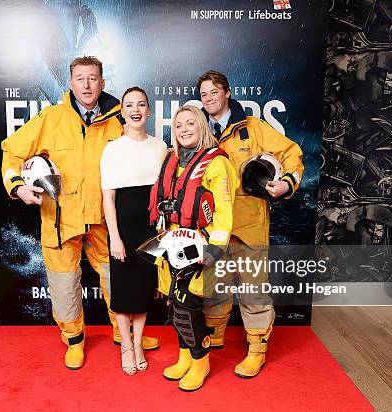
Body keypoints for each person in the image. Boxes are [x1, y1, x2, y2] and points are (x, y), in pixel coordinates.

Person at [0, 56, 159, 370]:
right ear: (70, 83)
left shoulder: (118, 119)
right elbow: (12, 152)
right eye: (80, 78)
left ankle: (123, 332)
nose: (87, 85)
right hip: (61, 221)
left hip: (103, 219)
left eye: (93, 78)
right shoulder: (51, 118)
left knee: (119, 279)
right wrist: (17, 186)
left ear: (102, 82)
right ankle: (74, 340)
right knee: (64, 284)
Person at [197, 70, 304, 378]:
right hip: (215, 229)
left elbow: (292, 154)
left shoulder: (254, 128)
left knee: (254, 290)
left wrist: (286, 183)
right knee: (214, 285)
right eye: (204, 95)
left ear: (226, 93)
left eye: (214, 92)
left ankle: (257, 348)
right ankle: (214, 334)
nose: (209, 99)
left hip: (249, 226)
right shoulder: (200, 130)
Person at [148, 105, 238, 391]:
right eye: (179, 125)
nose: (184, 129)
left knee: (188, 309)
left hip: (199, 248)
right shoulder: (173, 160)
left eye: (190, 124)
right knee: (176, 306)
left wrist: (215, 249)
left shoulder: (216, 163)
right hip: (172, 244)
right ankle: (185, 357)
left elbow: (224, 211)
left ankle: (201, 362)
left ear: (202, 126)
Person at [100, 87, 167, 375]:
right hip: (123, 230)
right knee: (124, 292)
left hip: (151, 230)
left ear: (148, 111)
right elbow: (109, 198)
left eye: (141, 104)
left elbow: (164, 194)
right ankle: (126, 346)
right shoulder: (113, 148)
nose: (136, 109)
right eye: (130, 105)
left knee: (142, 291)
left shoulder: (160, 146)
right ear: (123, 111)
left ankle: (139, 344)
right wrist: (115, 237)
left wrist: (163, 229)